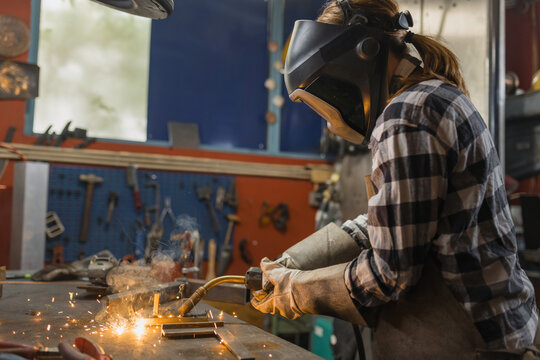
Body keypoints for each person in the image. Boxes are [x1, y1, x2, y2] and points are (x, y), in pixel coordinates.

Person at [250, 0, 539, 358]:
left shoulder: (406, 115)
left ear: (362, 53)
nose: (330, 117)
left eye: (326, 93)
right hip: (494, 334)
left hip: (471, 347)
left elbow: (391, 271)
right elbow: (391, 225)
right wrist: (294, 262)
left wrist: (295, 291)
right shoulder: (432, 96)